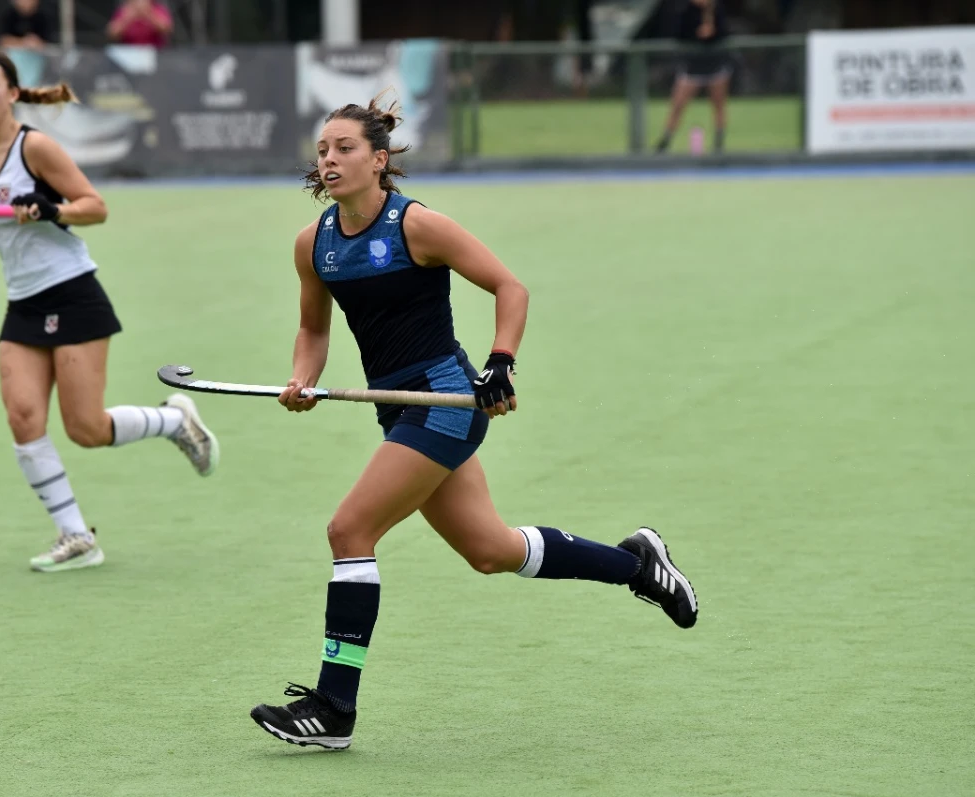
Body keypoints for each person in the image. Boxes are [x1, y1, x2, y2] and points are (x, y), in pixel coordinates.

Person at [248, 96, 699, 750]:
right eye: (323, 149)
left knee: (350, 528)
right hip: (394, 407)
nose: (329, 159)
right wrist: (303, 377)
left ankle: (334, 706)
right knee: (490, 549)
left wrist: (501, 365)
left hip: (445, 400)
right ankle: (638, 565)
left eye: (344, 147)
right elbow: (313, 329)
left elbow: (509, 288)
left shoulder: (417, 226)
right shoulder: (313, 244)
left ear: (378, 160)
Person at [0, 49, 220, 573]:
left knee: (86, 428)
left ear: (12, 93)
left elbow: (95, 206)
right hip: (23, 304)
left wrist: (51, 208)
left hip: (72, 293)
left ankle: (174, 422)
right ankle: (76, 536)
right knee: (23, 418)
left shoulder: (34, 147)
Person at [655, 0, 732, 154]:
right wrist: (697, 33)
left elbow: (725, 33)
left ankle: (719, 143)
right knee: (677, 105)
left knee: (719, 105)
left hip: (714, 64)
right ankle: (665, 142)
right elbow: (678, 34)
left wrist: (713, 33)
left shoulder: (717, 9)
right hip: (692, 66)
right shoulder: (685, 10)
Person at [106, 0, 173, 48]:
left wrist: (149, 15)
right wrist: (127, 18)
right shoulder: (124, 11)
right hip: (129, 53)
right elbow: (111, 33)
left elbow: (167, 29)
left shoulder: (157, 9)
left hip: (155, 52)